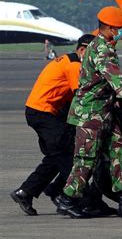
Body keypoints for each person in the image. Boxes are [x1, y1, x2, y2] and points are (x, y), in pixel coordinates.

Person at [56, 6, 122, 219]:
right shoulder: (102, 49)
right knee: (86, 158)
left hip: (105, 112)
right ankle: (67, 199)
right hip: (91, 114)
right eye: (117, 28)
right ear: (108, 28)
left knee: (119, 150)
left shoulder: (102, 44)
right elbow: (115, 79)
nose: (119, 32)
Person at [10, 34, 95, 216]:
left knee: (55, 156)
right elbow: (81, 95)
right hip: (43, 112)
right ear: (82, 50)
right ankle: (78, 199)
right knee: (66, 155)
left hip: (42, 111)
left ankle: (25, 192)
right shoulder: (74, 66)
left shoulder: (68, 60)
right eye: (93, 54)